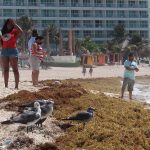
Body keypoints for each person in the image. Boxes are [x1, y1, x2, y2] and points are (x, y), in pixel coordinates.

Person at [0, 18, 23, 89]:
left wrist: (15, 24)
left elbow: (21, 32)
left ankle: (16, 86)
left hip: (13, 50)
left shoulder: (14, 31)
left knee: (15, 69)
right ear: (6, 24)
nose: (9, 25)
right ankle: (6, 86)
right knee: (5, 69)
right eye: (8, 23)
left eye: (11, 23)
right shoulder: (2, 31)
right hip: (4, 51)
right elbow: (1, 42)